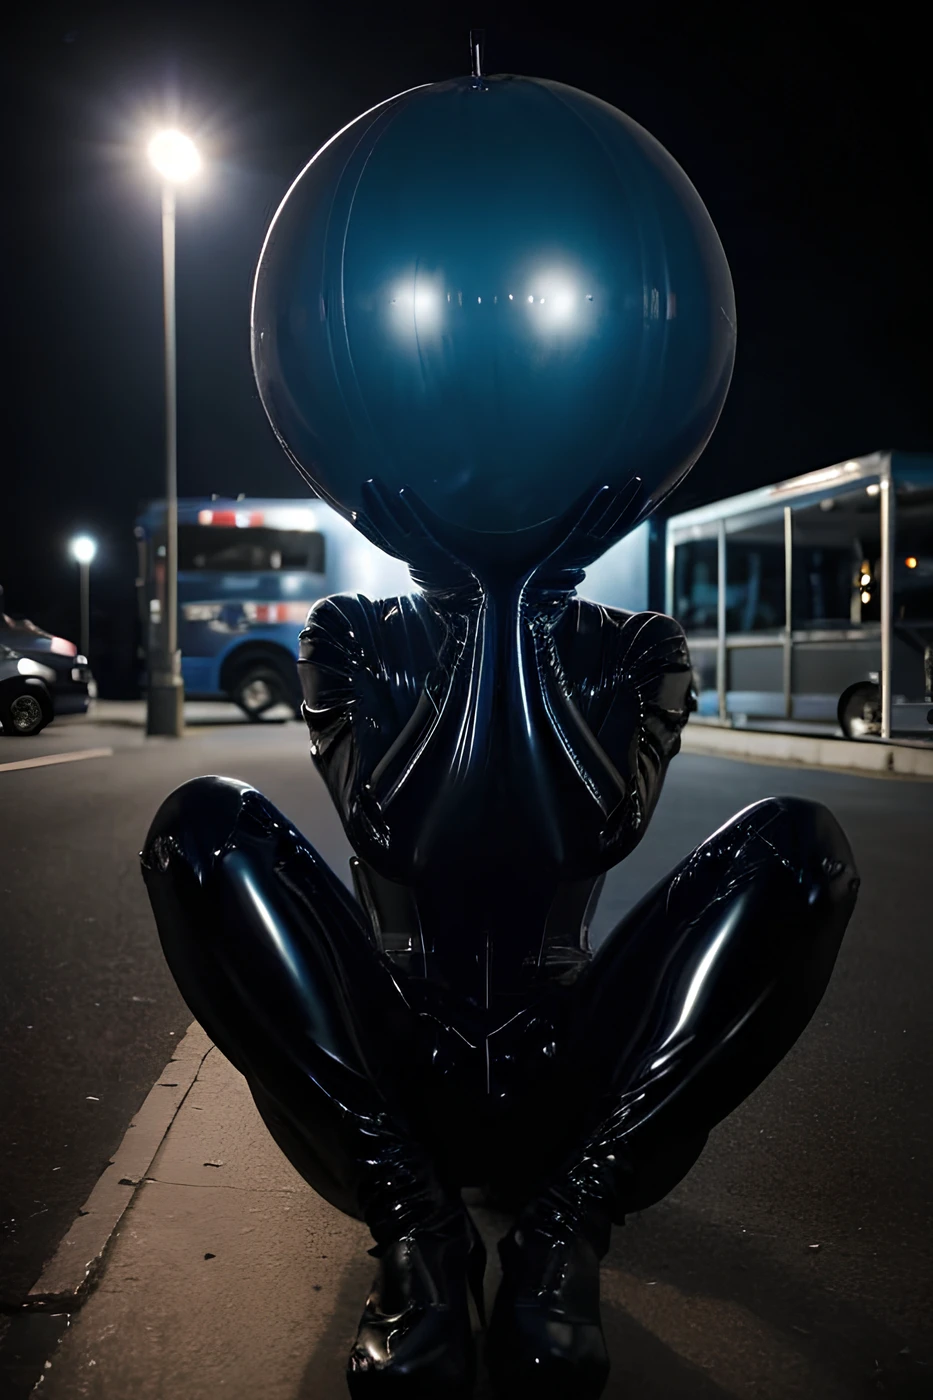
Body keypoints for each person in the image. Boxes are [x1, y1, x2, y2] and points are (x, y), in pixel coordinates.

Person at [141, 482, 858, 1399]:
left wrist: (514, 599)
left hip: (573, 1085)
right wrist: (489, 600)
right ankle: (419, 1230)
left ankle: (564, 1227)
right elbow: (390, 831)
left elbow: (594, 831)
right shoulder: (350, 627)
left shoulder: (639, 644)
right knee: (198, 826)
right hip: (386, 1083)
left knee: (801, 850)